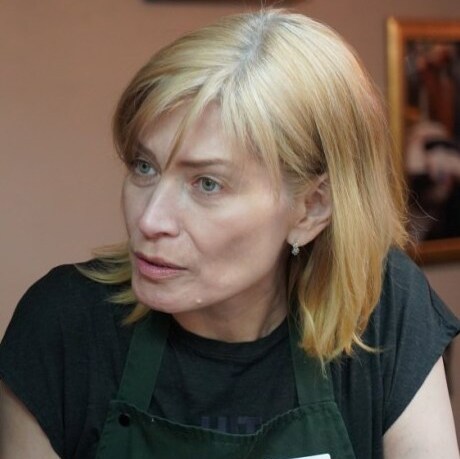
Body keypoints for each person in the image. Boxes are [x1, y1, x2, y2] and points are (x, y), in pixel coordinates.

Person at [0, 9, 459, 459]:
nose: (150, 220)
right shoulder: (64, 327)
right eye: (144, 166)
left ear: (311, 208)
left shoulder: (380, 304)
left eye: (207, 184)